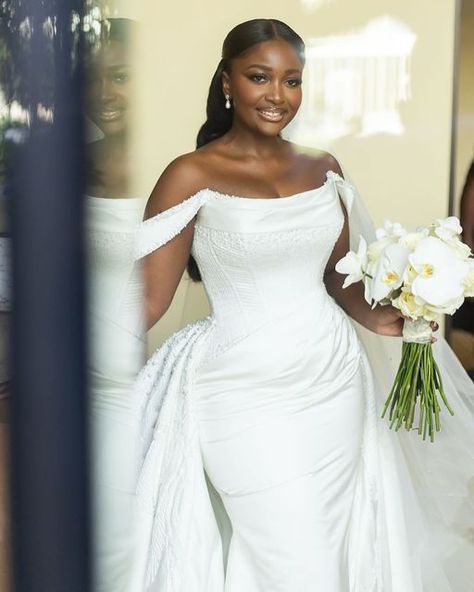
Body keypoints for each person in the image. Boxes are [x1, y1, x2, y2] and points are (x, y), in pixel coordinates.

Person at [129, 19, 474, 591]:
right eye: (259, 77)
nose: (276, 96)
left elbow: (339, 279)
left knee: (329, 542)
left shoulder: (323, 167)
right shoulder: (190, 175)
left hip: (331, 381)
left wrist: (390, 314)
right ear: (227, 83)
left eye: (292, 81)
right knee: (288, 552)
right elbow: (148, 296)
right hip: (238, 389)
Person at [83, 18, 145, 592]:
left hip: (155, 376)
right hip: (85, 384)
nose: (103, 94)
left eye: (121, 76)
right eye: (92, 78)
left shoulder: (180, 165)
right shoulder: (69, 166)